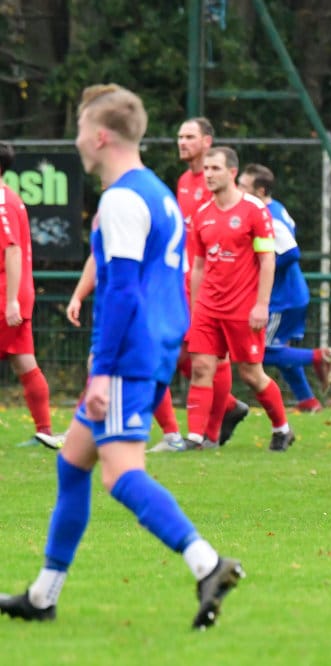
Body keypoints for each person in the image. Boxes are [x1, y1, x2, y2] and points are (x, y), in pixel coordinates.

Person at [0, 84, 243, 628]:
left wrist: (103, 370)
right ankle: (43, 595)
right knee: (72, 464)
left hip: (130, 357)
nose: (76, 140)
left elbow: (125, 292)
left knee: (119, 475)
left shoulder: (122, 200)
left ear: (101, 136)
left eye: (81, 129)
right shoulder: (155, 192)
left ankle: (207, 563)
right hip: (150, 348)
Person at [185, 147, 294, 452]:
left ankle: (282, 428)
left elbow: (267, 260)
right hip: (208, 306)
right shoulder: (201, 214)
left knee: (251, 374)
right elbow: (199, 266)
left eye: (215, 169)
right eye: (206, 169)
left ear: (232, 172)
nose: (208, 175)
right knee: (201, 367)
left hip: (243, 308)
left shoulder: (253, 210)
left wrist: (261, 305)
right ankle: (195, 438)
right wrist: (195, 309)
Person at [237, 163, 331, 412]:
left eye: (243, 186)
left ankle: (317, 357)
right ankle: (307, 401)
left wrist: (259, 267)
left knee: (262, 351)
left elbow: (292, 252)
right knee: (280, 348)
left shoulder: (269, 216)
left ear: (260, 191)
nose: (238, 190)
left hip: (281, 298)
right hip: (291, 294)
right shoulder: (274, 209)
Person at [171, 117, 249, 450]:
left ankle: (211, 433)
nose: (182, 142)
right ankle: (228, 406)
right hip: (184, 278)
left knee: (215, 358)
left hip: (214, 284)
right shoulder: (184, 182)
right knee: (181, 355)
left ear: (207, 141)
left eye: (189, 136)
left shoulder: (218, 184)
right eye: (180, 136)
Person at [67, 254, 186, 450]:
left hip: (132, 300)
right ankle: (81, 428)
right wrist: (78, 297)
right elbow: (96, 256)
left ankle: (170, 433)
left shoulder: (128, 238)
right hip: (124, 299)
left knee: (131, 365)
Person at [0, 142, 61, 450]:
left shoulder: (2, 200)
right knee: (24, 362)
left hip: (5, 294)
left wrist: (11, 300)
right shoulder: (9, 197)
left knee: (24, 362)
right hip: (16, 293)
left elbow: (11, 249)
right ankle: (45, 432)